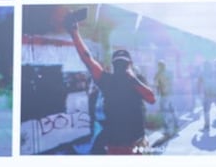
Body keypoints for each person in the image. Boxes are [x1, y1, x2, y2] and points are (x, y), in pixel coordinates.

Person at [66, 12, 155, 154]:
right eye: (119, 64)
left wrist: (131, 77)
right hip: (117, 144)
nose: (121, 67)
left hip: (135, 142)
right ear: (114, 65)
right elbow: (88, 59)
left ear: (130, 64)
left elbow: (151, 99)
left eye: (123, 64)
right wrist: (74, 33)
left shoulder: (134, 81)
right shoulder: (110, 80)